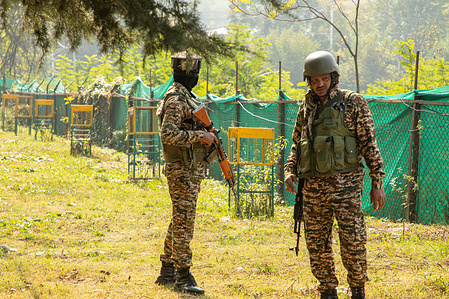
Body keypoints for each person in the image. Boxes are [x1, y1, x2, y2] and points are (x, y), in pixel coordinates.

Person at [284, 51, 387, 299]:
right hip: (312, 189)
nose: (320, 84)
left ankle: (357, 290)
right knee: (317, 245)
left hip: (346, 189)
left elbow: (369, 143)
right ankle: (327, 291)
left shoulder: (353, 102)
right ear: (308, 80)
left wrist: (377, 182)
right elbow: (298, 142)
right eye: (315, 80)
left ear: (334, 77)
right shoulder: (306, 105)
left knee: (353, 242)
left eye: (325, 79)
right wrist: (289, 169)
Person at [155, 51, 216, 295]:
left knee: (179, 219)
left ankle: (167, 270)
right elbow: (167, 134)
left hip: (188, 169)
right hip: (182, 170)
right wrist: (201, 136)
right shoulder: (177, 99)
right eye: (193, 73)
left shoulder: (184, 97)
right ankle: (183, 276)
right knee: (184, 223)